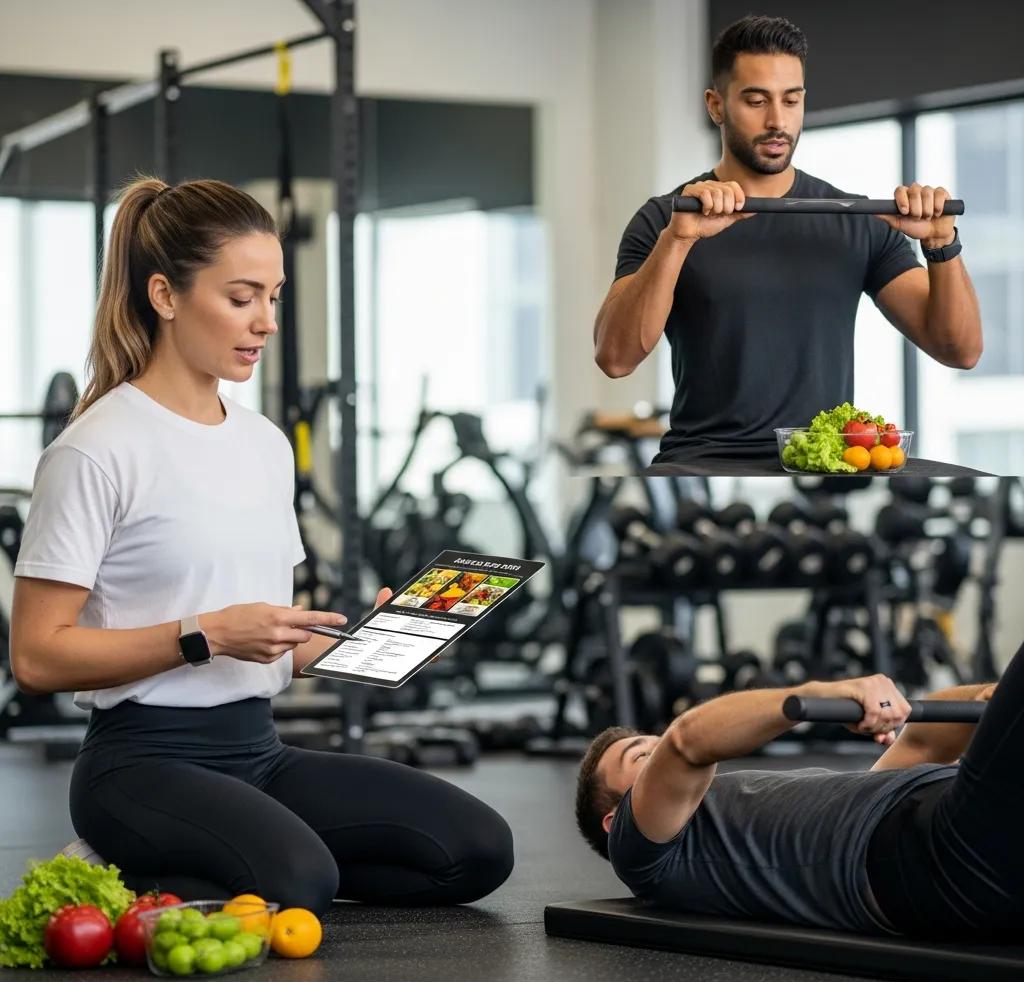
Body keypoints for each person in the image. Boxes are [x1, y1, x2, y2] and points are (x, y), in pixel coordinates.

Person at [9, 177, 513, 914]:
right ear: (166, 295)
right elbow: (36, 656)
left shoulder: (265, 445)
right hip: (139, 765)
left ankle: (265, 863)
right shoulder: (96, 449)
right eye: (242, 297)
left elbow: (271, 640)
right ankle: (116, 865)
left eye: (272, 297)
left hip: (259, 753)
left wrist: (370, 642)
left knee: (475, 851)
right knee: (301, 880)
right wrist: (203, 635)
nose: (265, 321)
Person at [593, 14, 983, 467]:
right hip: (704, 466)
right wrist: (678, 243)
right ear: (716, 106)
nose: (777, 121)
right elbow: (615, 359)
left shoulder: (856, 221)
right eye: (756, 101)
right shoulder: (667, 218)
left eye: (791, 101)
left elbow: (961, 351)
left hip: (817, 470)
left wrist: (941, 246)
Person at [574, 646, 1024, 938]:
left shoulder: (797, 807)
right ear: (616, 823)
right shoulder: (647, 856)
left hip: (940, 827)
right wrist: (818, 692)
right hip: (934, 858)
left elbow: (922, 743)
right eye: (640, 758)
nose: (656, 752)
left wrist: (990, 698)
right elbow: (687, 741)